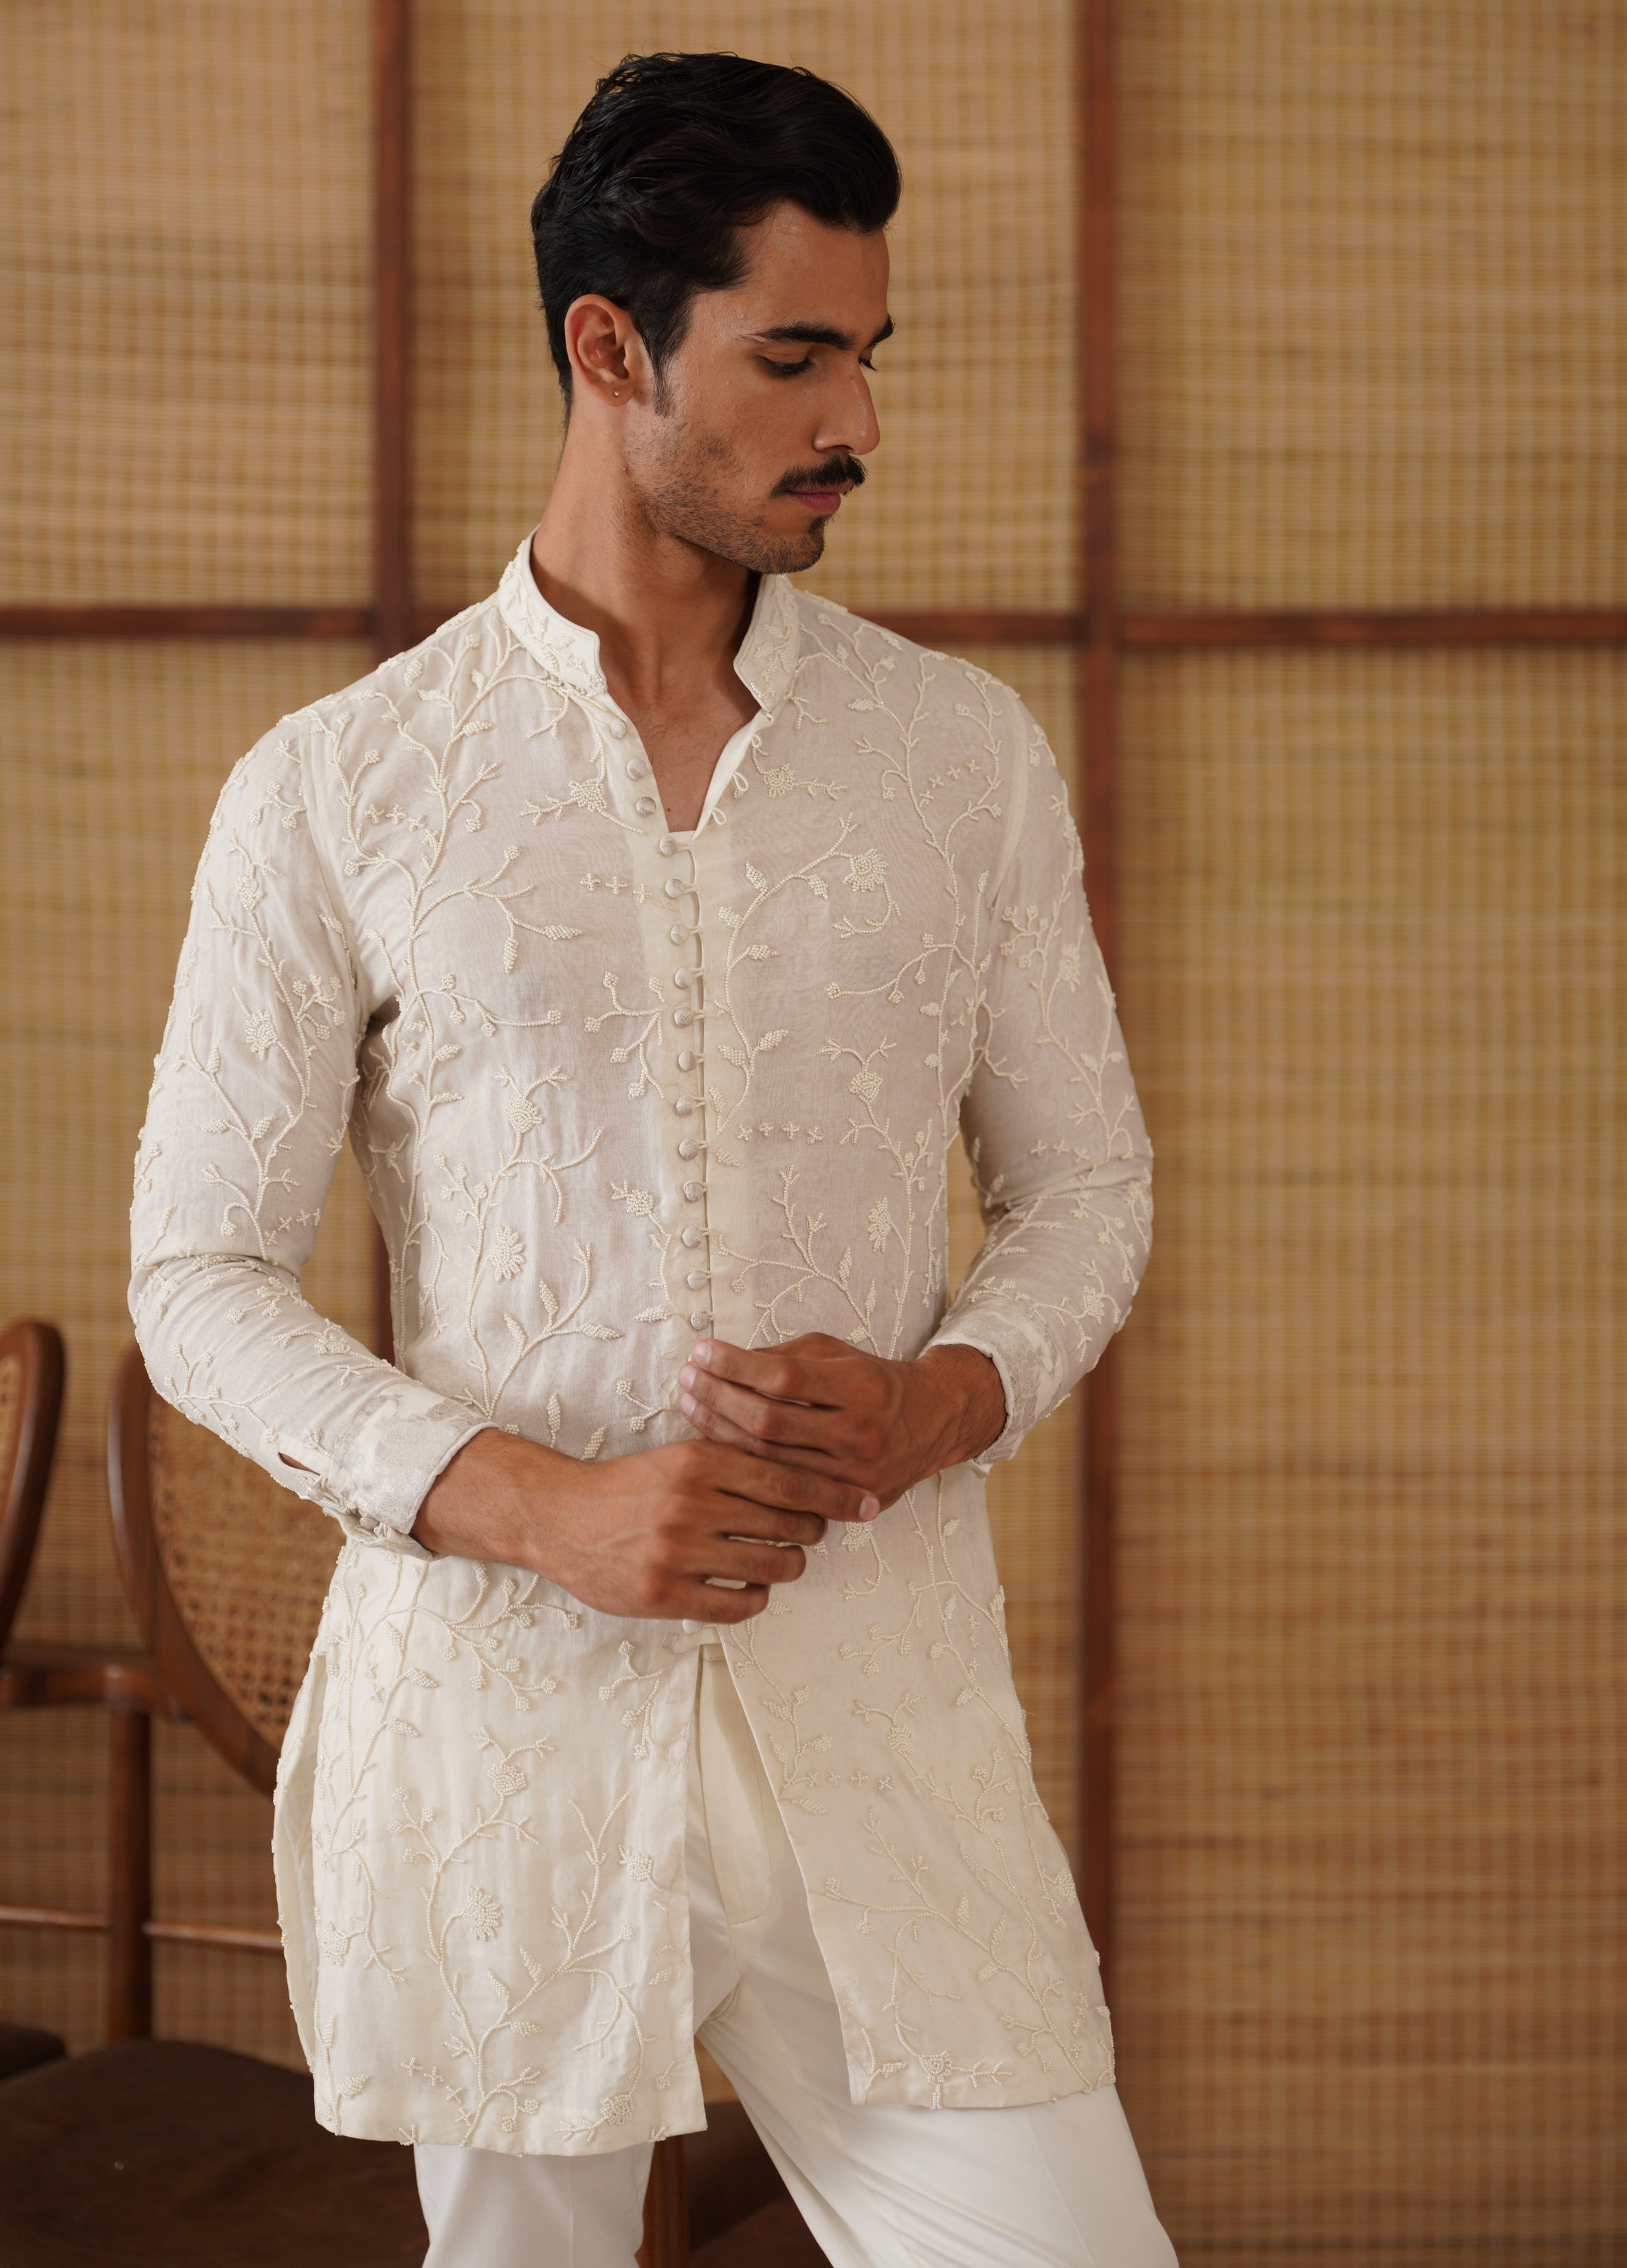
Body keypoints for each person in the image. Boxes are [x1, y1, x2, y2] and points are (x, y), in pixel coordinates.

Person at [130, 49, 1171, 2268]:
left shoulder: (958, 759)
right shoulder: (345, 788)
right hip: (503, 1735)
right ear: (611, 348)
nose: (856, 417)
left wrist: (942, 1398)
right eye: (794, 358)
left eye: (869, 353)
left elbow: (1089, 1190)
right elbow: (195, 1272)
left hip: (881, 1726)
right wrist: (542, 1504)